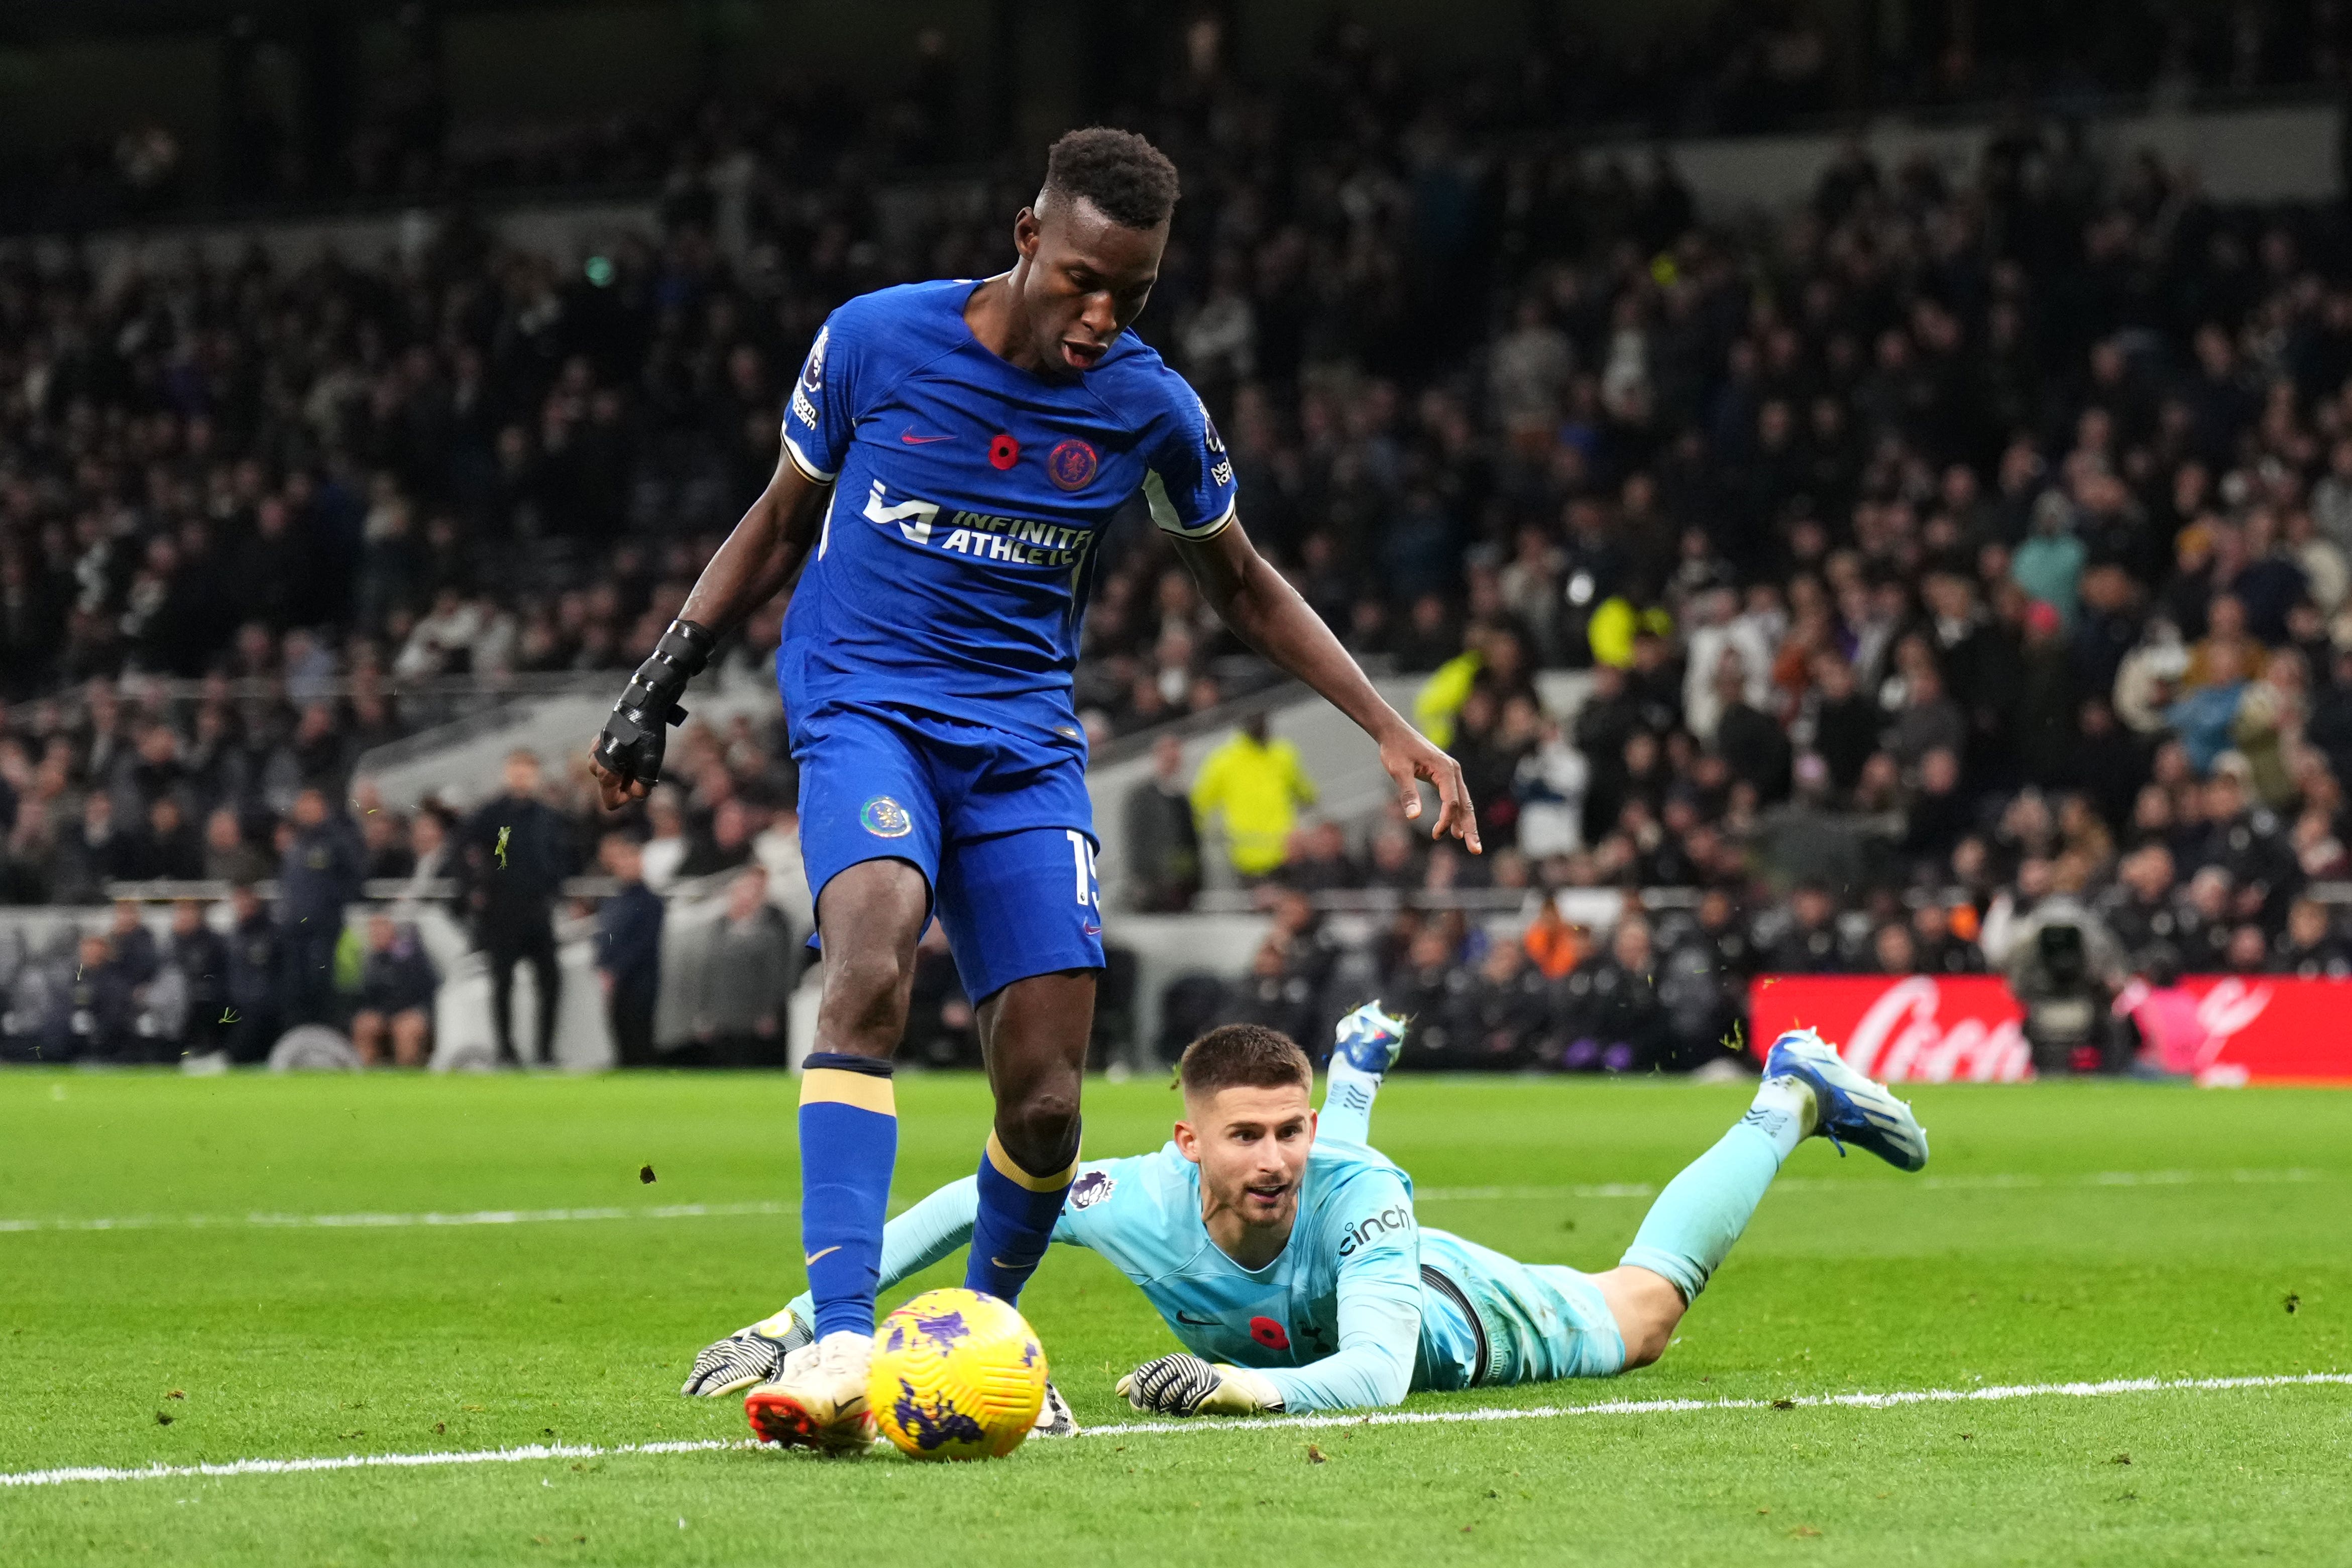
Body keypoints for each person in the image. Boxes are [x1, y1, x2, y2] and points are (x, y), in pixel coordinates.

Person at [587, 126, 1477, 1450]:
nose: (1100, 313)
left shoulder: (1146, 406)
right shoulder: (876, 344)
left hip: (1018, 744)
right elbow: (780, 519)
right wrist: (661, 678)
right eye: (1080, 279)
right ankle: (838, 1336)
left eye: (1134, 292)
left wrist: (1389, 727)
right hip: (863, 705)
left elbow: (1239, 583)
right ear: (1026, 240)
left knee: (1049, 1100)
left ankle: (971, 1341)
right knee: (874, 946)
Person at [683, 1004, 1926, 1431]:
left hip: (1440, 1313)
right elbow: (970, 1201)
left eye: (1294, 1127)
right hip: (1322, 1281)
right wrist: (800, 1326)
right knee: (1326, 1205)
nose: (1273, 1155)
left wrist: (1234, 1390)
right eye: (1248, 1134)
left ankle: (1789, 1096)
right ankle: (1361, 1068)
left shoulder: (1358, 1189)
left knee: (1643, 1312)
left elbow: (1379, 1378)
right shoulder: (1130, 1194)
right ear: (1188, 1139)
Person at [463, 750, 574, 1066]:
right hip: (502, 912)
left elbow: (561, 856)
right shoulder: (491, 814)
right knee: (503, 983)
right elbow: (462, 847)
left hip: (538, 910)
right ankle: (506, 1050)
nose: (523, 777)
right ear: (507, 774)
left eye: (528, 771)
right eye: (517, 770)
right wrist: (474, 888)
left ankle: (545, 1051)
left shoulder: (547, 816)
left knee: (550, 981)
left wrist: (557, 886)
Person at [1189, 709, 1317, 879]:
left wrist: (1303, 828)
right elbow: (1199, 804)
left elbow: (1307, 794)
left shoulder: (1281, 753)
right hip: (1249, 856)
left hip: (1285, 853)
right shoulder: (1225, 760)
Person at [276, 787, 364, 1029]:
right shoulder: (296, 844)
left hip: (323, 930)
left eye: (311, 805)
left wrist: (330, 904)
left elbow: (356, 878)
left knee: (321, 986)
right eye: (302, 805)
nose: (305, 811)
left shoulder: (338, 840)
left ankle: (324, 1039)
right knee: (296, 989)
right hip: (296, 930)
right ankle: (299, 1040)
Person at [594, 832, 664, 1068]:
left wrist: (614, 970)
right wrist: (603, 966)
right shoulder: (614, 901)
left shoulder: (651, 902)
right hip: (617, 984)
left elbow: (642, 944)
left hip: (639, 982)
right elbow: (604, 937)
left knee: (639, 1039)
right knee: (620, 1038)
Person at [349, 913, 438, 1068]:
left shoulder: (411, 956)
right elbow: (366, 996)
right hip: (384, 1013)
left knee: (405, 1031)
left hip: (413, 1010)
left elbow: (426, 990)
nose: (376, 933)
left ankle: (407, 1082)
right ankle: (364, 1079)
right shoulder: (371, 960)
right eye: (373, 930)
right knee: (364, 1025)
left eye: (381, 928)